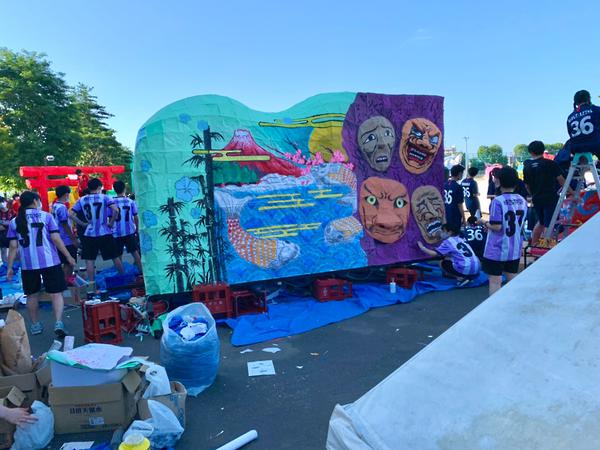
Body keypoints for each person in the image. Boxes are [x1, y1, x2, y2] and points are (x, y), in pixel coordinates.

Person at [6, 191, 76, 337]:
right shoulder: (46, 216)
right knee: (56, 293)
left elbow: (13, 247)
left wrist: (10, 267)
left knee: (32, 295)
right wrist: (68, 256)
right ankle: (58, 322)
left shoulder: (14, 221)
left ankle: (35, 325)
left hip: (28, 264)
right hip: (50, 261)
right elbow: (56, 239)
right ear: (35, 201)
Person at [478, 167, 528, 296]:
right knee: (512, 278)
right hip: (514, 247)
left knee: (495, 281)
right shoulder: (522, 200)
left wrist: (483, 222)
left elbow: (497, 227)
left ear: (499, 181)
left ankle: (494, 306)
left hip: (497, 248)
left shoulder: (498, 201)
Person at [70, 178, 124, 289]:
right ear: (99, 187)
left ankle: (91, 285)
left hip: (89, 232)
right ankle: (124, 278)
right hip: (104, 231)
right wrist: (111, 222)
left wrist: (82, 223)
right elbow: (116, 210)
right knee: (115, 256)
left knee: (89, 260)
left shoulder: (82, 200)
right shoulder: (105, 197)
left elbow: (70, 214)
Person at [523, 141, 569, 245]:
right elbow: (561, 180)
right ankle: (547, 247)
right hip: (550, 197)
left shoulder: (527, 167)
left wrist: (533, 194)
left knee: (541, 222)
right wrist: (571, 191)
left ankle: (533, 246)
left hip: (536, 198)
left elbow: (527, 185)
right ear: (543, 150)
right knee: (550, 224)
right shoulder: (550, 163)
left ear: (530, 152)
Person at [418, 222, 481, 287]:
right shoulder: (461, 239)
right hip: (477, 267)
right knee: (449, 258)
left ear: (450, 232)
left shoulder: (447, 241)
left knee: (442, 262)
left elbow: (434, 254)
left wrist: (422, 248)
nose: (442, 233)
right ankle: (469, 276)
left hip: (466, 268)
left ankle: (460, 278)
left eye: (443, 231)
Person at [112, 181, 142, 272]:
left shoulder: (111, 202)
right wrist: (137, 229)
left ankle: (121, 274)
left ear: (114, 190)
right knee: (135, 252)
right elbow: (136, 217)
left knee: (118, 255)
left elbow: (109, 218)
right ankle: (141, 272)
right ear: (124, 189)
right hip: (129, 231)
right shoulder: (130, 201)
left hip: (116, 232)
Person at [51, 186, 79, 284]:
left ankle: (63, 280)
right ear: (66, 194)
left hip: (58, 237)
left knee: (63, 261)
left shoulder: (54, 205)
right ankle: (66, 281)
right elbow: (65, 224)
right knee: (69, 262)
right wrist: (73, 238)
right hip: (65, 239)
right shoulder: (62, 207)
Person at [567, 90, 600, 159]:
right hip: (595, 146)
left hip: (575, 149)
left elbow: (570, 134)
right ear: (589, 99)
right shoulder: (596, 110)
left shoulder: (570, 117)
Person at [443, 164, 466, 230]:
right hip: (454, 215)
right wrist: (463, 218)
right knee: (455, 233)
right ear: (459, 174)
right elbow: (460, 205)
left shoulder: (444, 184)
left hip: (445, 214)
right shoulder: (458, 187)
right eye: (462, 173)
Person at [0, 197, 16, 264]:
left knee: (13, 250)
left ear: (5, 202)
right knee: (3, 250)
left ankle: (13, 265)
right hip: (1, 237)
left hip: (11, 235)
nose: (1, 204)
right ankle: (5, 265)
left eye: (2, 202)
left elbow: (15, 224)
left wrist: (5, 226)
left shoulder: (12, 212)